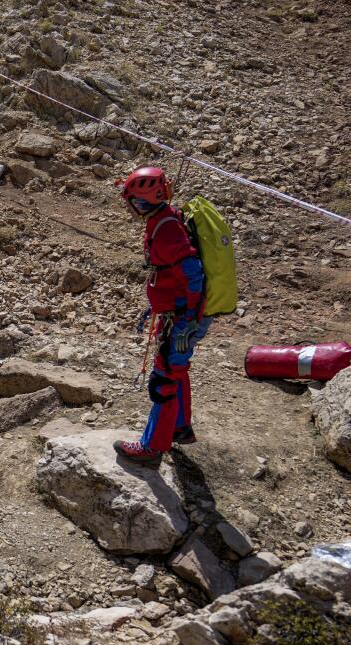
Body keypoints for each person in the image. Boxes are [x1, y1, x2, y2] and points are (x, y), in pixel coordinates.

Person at [113, 166, 211, 469]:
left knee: (164, 379)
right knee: (176, 370)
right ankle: (179, 427)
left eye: (131, 200)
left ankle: (152, 447)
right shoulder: (163, 219)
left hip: (181, 318)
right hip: (177, 312)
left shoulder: (166, 230)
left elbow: (193, 275)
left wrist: (188, 320)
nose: (129, 206)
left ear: (142, 200)